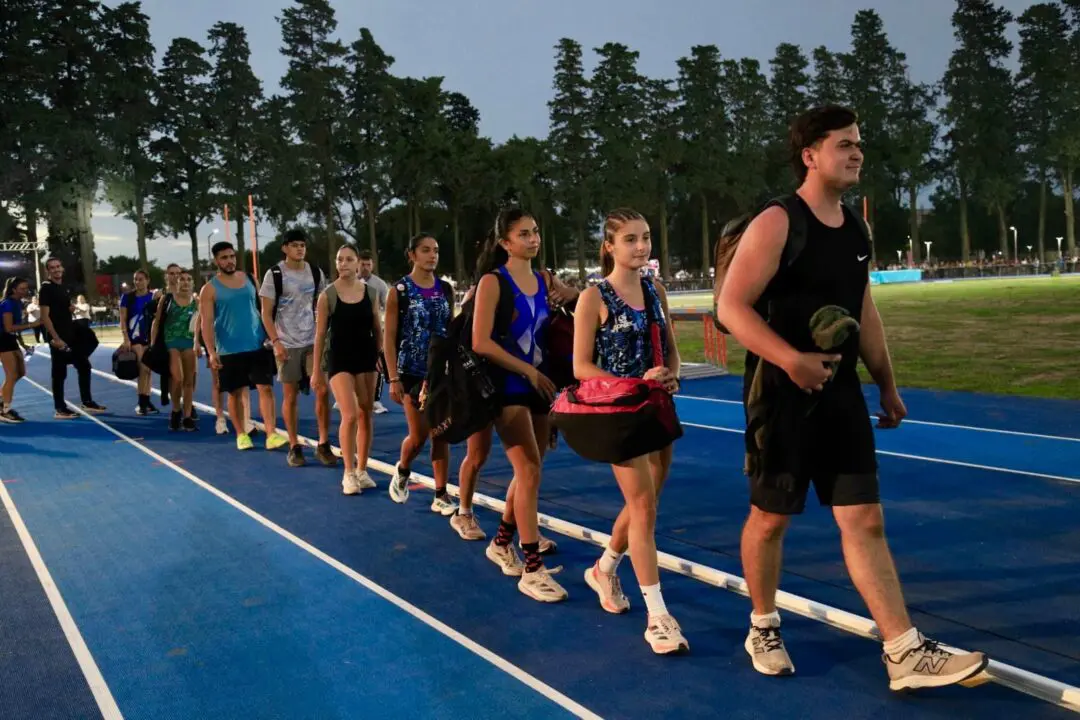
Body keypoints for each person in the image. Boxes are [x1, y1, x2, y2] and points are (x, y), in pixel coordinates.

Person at [715, 105, 988, 689]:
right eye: (844, 144)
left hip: (840, 398)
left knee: (864, 518)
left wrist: (886, 383)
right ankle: (762, 623)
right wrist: (790, 360)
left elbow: (865, 310)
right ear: (810, 155)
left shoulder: (858, 229)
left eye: (858, 143)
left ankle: (903, 651)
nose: (857, 152)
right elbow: (730, 307)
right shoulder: (777, 221)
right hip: (780, 398)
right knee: (768, 520)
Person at [572, 208, 688, 654]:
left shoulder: (655, 289)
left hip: (657, 409)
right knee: (642, 508)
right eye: (630, 240)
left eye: (646, 237)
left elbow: (671, 349)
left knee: (648, 503)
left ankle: (604, 568)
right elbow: (581, 367)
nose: (641, 246)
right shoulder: (593, 297)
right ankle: (657, 616)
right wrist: (635, 383)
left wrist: (672, 375)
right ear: (609, 246)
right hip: (619, 414)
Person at [470, 208, 564, 602]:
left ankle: (501, 542)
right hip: (508, 384)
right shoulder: (494, 281)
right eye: (524, 234)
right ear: (505, 243)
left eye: (536, 231)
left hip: (540, 383)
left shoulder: (544, 279)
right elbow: (480, 341)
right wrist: (525, 370)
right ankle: (531, 568)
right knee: (526, 469)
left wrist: (571, 296)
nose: (533, 239)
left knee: (533, 469)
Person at [382, 234, 457, 514]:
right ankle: (402, 470)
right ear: (411, 255)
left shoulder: (446, 289)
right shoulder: (399, 291)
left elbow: (450, 331)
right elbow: (389, 338)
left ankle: (441, 494)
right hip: (411, 373)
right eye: (425, 250)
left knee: (442, 434)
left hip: (441, 373)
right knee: (419, 436)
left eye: (435, 250)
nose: (432, 255)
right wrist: (393, 377)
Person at [199, 241, 286, 452]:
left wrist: (271, 337)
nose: (229, 261)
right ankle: (241, 434)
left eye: (231, 256)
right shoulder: (209, 289)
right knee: (235, 393)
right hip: (229, 349)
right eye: (224, 258)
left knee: (266, 388)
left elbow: (261, 310)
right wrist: (211, 352)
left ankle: (271, 433)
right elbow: (206, 323)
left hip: (256, 345)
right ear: (216, 261)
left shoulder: (249, 279)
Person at [259, 229, 336, 467]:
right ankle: (294, 445)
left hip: (312, 340)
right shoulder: (274, 274)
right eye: (294, 245)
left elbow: (321, 304)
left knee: (322, 391)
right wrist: (276, 342)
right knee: (290, 395)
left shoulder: (315, 272)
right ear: (285, 248)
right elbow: (266, 313)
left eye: (302, 245)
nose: (300, 249)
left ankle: (323, 443)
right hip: (287, 343)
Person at [312, 244, 382, 494]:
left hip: (367, 358)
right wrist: (316, 371)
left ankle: (362, 470)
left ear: (358, 264)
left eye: (348, 259)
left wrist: (382, 357)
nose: (343, 264)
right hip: (339, 360)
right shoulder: (327, 296)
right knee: (350, 414)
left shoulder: (371, 293)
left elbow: (377, 328)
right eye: (339, 259)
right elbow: (320, 335)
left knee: (366, 413)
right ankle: (348, 473)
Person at [37, 257, 106, 419]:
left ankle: (87, 401)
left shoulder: (62, 288)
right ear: (48, 271)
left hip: (71, 334)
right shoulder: (46, 288)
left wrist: (69, 308)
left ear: (62, 268)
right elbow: (45, 317)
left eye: (58, 266)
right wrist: (55, 338)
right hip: (58, 337)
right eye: (52, 268)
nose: (56, 269)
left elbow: (59, 309)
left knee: (84, 365)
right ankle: (60, 408)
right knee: (59, 373)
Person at [151, 268, 199, 431]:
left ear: (192, 283)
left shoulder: (196, 301)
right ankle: (175, 410)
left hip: (188, 342)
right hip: (170, 342)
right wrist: (153, 344)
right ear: (176, 282)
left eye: (188, 279)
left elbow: (201, 324)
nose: (185, 282)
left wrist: (199, 343)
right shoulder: (167, 299)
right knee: (177, 378)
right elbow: (156, 322)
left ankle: (187, 417)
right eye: (182, 279)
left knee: (189, 381)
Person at [119, 270, 158, 415]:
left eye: (141, 279)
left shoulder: (153, 296)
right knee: (143, 368)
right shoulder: (127, 297)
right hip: (134, 338)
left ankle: (146, 400)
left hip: (149, 337)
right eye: (136, 279)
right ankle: (142, 403)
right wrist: (125, 338)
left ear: (148, 280)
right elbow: (122, 319)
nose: (138, 282)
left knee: (148, 370)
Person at [0, 277, 39, 423]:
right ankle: (5, 410)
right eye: (22, 288)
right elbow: (9, 328)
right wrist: (33, 325)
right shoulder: (7, 304)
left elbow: (14, 329)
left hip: (10, 340)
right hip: (2, 340)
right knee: (11, 375)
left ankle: (1, 399)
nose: (26, 291)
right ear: (14, 289)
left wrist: (23, 345)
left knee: (20, 372)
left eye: (26, 288)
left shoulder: (17, 303)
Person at [358, 249, 389, 415]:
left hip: (374, 329)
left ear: (373, 265)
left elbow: (388, 306)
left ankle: (375, 399)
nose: (365, 267)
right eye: (362, 264)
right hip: (354, 331)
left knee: (377, 364)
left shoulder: (380, 285)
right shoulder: (347, 281)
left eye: (368, 264)